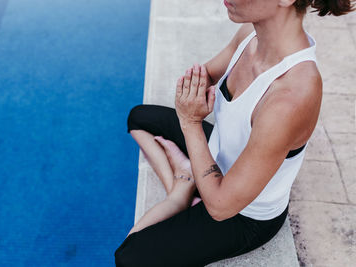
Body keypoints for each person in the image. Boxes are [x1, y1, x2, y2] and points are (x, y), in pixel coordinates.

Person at [115, 0, 355, 266]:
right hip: (218, 156)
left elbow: (220, 207)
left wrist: (191, 123)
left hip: (244, 214)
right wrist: (195, 92)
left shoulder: (291, 97)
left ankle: (180, 191)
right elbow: (204, 75)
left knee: (129, 258)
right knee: (139, 118)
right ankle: (187, 174)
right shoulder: (249, 36)